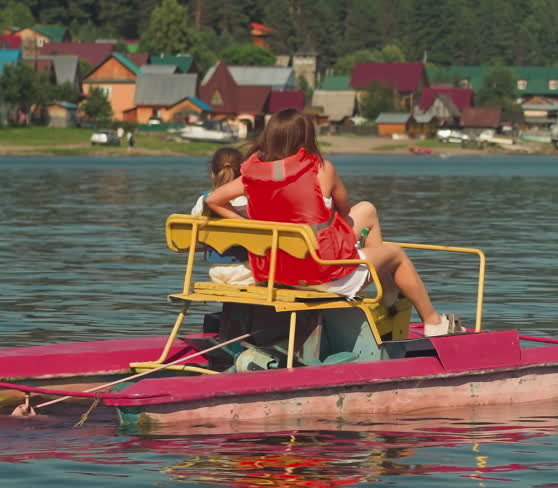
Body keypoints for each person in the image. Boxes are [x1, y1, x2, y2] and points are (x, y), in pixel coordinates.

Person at [206, 109, 459, 336]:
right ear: (306, 137)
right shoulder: (321, 168)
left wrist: (253, 225)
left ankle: (386, 297)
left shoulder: (252, 176)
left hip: (277, 272)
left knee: (367, 210)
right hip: (321, 272)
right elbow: (344, 209)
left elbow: (213, 200)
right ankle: (432, 321)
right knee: (396, 254)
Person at [192, 146, 252, 286]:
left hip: (216, 270)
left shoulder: (203, 201)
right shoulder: (251, 203)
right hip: (247, 270)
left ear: (213, 174)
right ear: (243, 173)